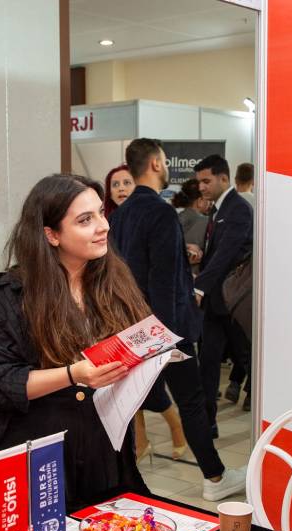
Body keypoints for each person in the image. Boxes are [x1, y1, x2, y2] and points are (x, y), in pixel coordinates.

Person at [0, 173, 150, 510]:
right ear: (51, 235)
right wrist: (73, 374)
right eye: (85, 220)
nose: (103, 227)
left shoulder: (114, 279)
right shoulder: (13, 297)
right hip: (41, 451)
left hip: (104, 445)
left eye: (101, 213)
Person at [108, 138, 246, 502]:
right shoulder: (160, 212)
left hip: (133, 328)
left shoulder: (120, 215)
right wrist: (168, 339)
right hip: (164, 330)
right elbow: (163, 282)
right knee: (191, 401)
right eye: (165, 161)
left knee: (129, 405)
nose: (167, 166)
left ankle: (121, 480)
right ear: (155, 163)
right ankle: (215, 478)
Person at [194, 154, 253, 436]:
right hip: (216, 303)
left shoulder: (238, 208)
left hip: (233, 302)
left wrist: (199, 286)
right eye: (199, 182)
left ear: (224, 178)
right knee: (208, 362)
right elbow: (217, 254)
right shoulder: (218, 209)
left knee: (246, 358)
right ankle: (208, 423)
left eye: (206, 181)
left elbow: (227, 254)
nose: (201, 187)